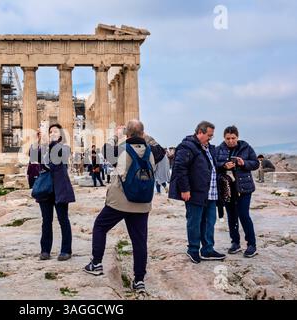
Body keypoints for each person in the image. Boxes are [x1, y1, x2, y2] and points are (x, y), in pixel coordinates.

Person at [84, 120, 156, 294]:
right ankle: (139, 280)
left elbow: (105, 149)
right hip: (142, 203)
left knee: (100, 226)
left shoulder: (122, 149)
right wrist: (144, 136)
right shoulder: (152, 151)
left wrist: (116, 135)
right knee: (139, 241)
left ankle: (96, 263)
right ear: (143, 133)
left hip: (120, 202)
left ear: (127, 134)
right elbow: (158, 148)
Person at [169, 121, 226, 264]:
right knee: (194, 222)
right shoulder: (187, 146)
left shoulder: (208, 148)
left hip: (211, 193)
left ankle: (207, 249)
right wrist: (184, 189)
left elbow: (211, 166)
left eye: (212, 136)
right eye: (209, 135)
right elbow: (180, 168)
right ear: (200, 132)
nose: (211, 138)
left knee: (209, 222)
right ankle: (193, 250)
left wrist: (224, 165)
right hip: (195, 192)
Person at [215, 126, 260, 257]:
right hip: (227, 188)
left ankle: (252, 245)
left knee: (244, 215)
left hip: (244, 188)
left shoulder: (246, 147)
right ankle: (235, 243)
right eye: (228, 138)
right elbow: (214, 165)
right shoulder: (218, 149)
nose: (230, 141)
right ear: (224, 138)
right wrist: (224, 165)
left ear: (237, 137)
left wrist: (243, 163)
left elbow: (256, 164)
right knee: (231, 216)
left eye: (233, 138)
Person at [37, 124, 76, 261]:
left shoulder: (64, 148)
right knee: (46, 221)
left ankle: (66, 250)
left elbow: (55, 164)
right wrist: (39, 142)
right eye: (50, 131)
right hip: (46, 188)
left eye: (55, 131)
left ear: (60, 136)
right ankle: (45, 250)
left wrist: (51, 143)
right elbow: (36, 161)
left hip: (60, 188)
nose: (52, 133)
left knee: (63, 219)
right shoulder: (44, 148)